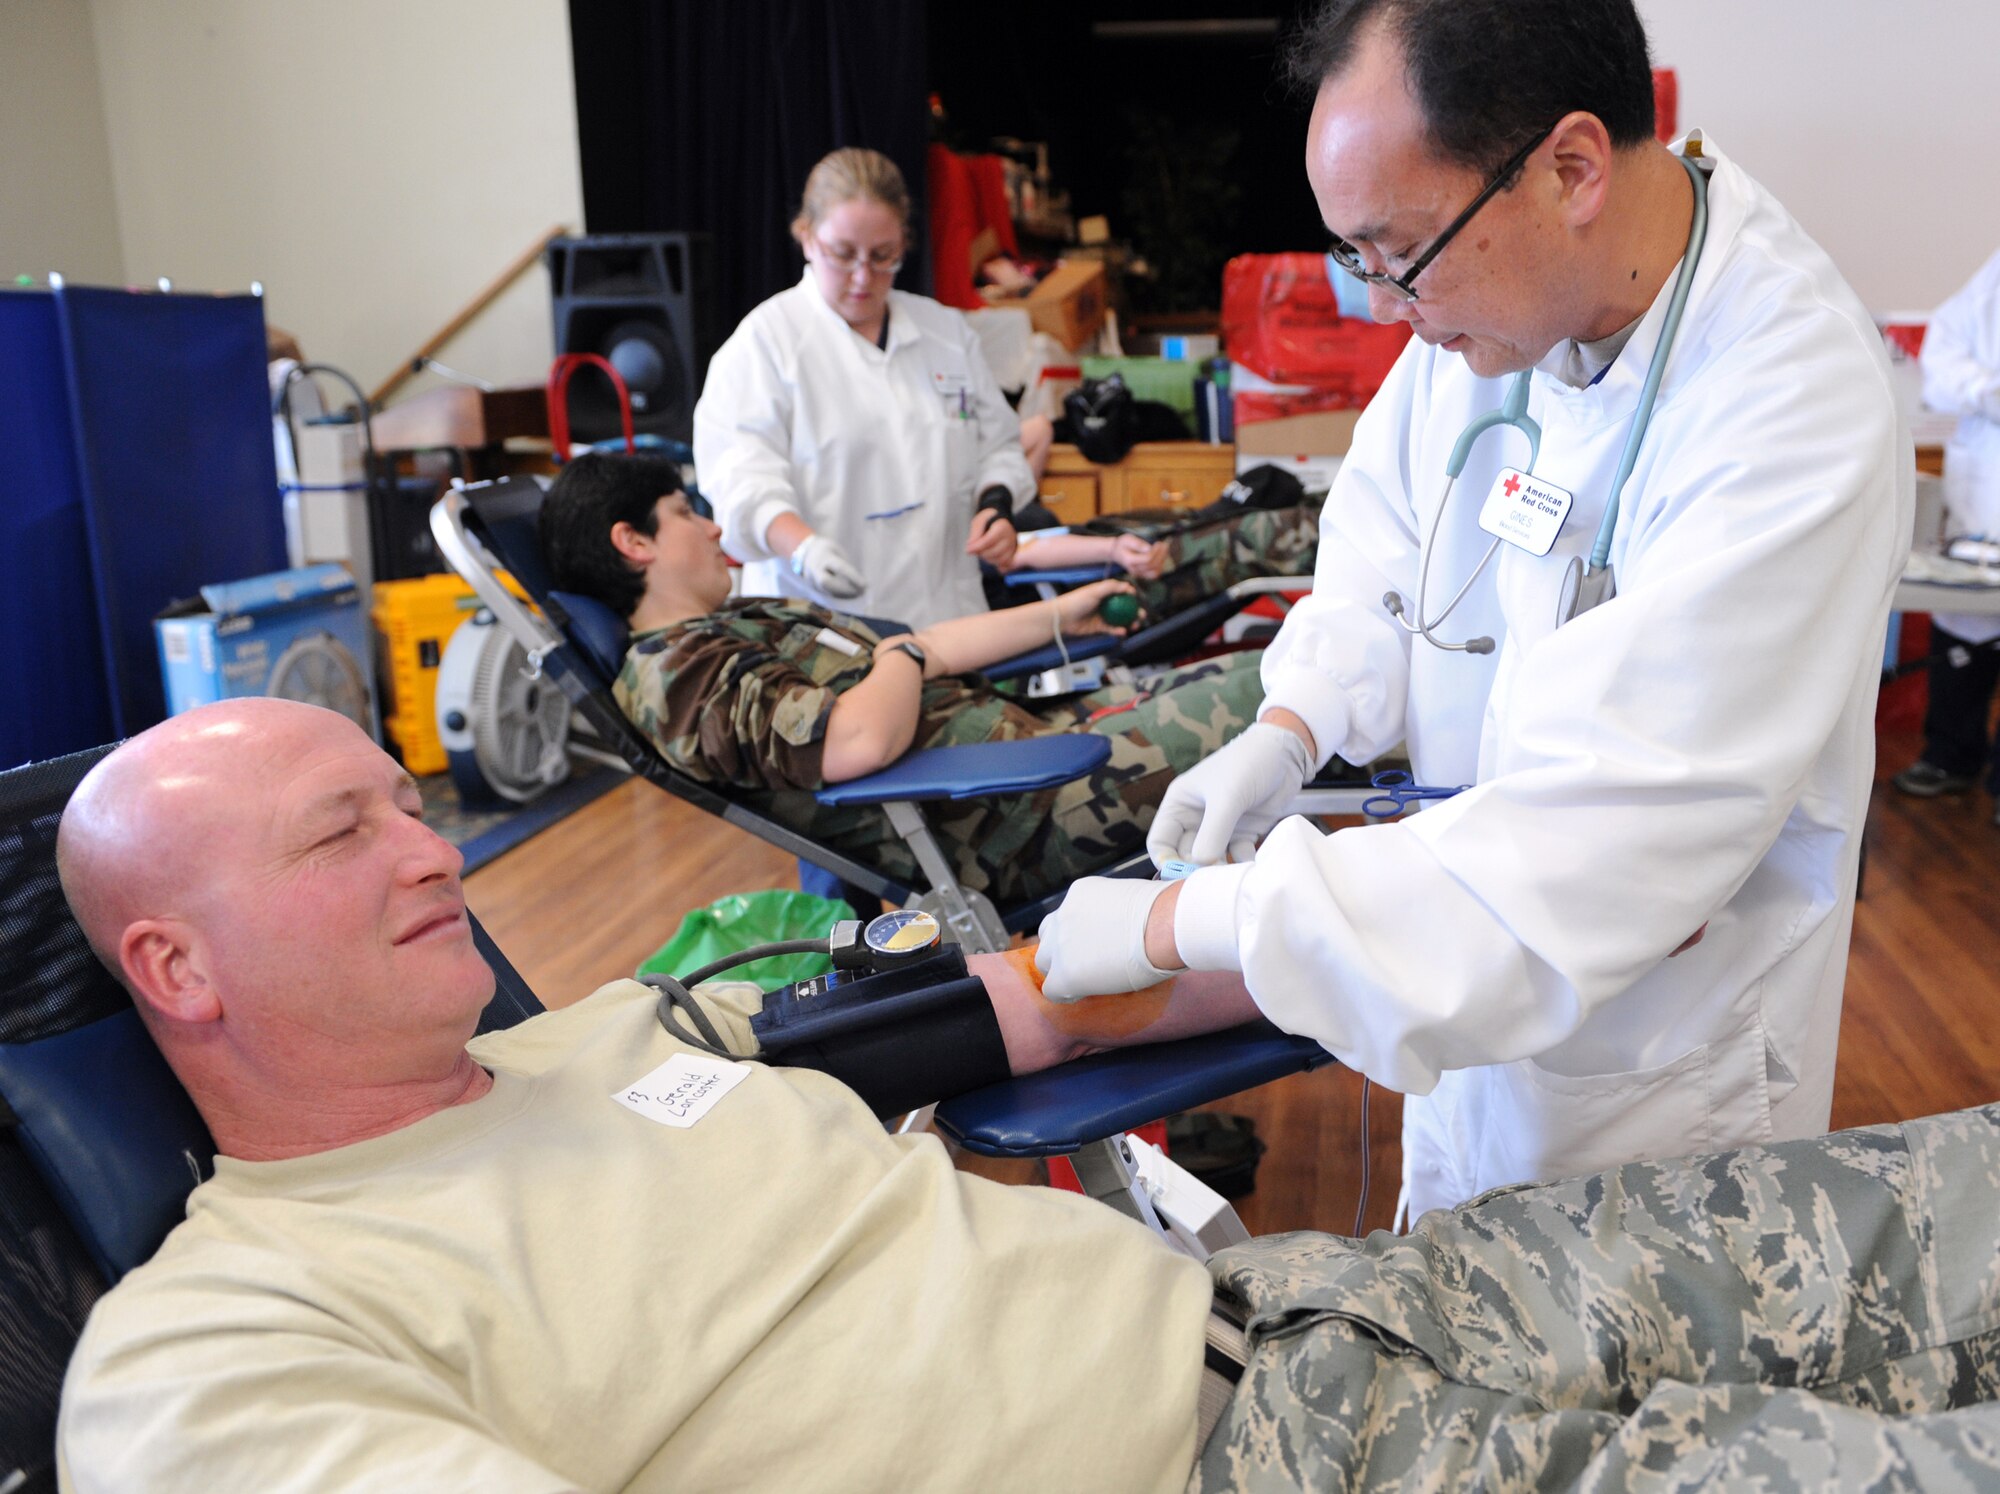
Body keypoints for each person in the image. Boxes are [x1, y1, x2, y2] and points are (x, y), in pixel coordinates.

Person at [52, 701, 1998, 1491]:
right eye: (346, 837)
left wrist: (1470, 936)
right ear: (178, 969)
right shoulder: (217, 1348)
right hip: (1267, 1478)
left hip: (1332, 1311)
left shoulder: (615, 1038)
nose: (434, 857)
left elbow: (1027, 1009)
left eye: (414, 804)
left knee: (1954, 1202)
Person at [1035, 0, 1914, 1223]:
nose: (1386, 304)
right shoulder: (1485, 321)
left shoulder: (1786, 399)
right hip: (1466, 1017)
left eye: (1397, 250)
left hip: (1664, 1089)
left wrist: (1193, 918)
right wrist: (1289, 725)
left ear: (1569, 168)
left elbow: (1583, 855)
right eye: (1354, 258)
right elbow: (1379, 556)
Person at [539, 453, 1267, 909]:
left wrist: (1058, 620)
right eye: (683, 514)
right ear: (633, 543)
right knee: (1275, 694)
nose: (712, 529)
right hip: (1014, 820)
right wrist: (907, 659)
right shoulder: (679, 678)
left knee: (1271, 670)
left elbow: (920, 648)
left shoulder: (742, 618)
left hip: (1036, 751)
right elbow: (857, 737)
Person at [694, 147, 1032, 630]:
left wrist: (995, 507)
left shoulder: (945, 333)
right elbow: (741, 482)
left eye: (882, 257)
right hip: (820, 630)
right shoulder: (766, 344)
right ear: (807, 237)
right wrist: (804, 549)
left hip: (947, 621)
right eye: (843, 254)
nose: (862, 277)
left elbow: (998, 444)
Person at [1892, 247, 2000, 824]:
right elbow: (1942, 359)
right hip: (1984, 488)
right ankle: (1951, 757)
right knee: (1963, 623)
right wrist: (1990, 391)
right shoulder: (1985, 291)